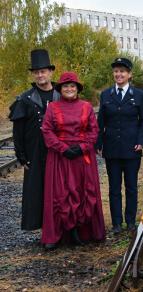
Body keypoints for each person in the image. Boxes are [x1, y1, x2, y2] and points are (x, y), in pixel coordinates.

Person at [41, 72, 105, 249]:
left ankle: (81, 230)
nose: (69, 89)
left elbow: (94, 130)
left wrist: (82, 147)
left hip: (82, 157)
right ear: (60, 89)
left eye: (72, 86)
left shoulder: (86, 106)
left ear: (77, 89)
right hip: (60, 157)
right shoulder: (52, 107)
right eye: (65, 86)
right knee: (60, 194)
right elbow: (46, 130)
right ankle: (58, 234)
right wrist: (63, 148)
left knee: (84, 192)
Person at [96, 57, 143, 234]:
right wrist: (99, 143)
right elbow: (100, 122)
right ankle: (117, 223)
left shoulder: (138, 95)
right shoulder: (106, 95)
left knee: (131, 187)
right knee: (114, 188)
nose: (119, 74)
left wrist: (141, 142)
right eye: (116, 71)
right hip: (112, 148)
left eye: (122, 71)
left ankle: (131, 221)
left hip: (132, 148)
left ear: (129, 74)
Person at [8, 49, 60, 231]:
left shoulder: (61, 95)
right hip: (35, 153)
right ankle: (46, 232)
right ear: (33, 74)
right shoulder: (25, 99)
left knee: (59, 190)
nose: (40, 75)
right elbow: (18, 131)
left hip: (58, 152)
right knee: (37, 192)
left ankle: (61, 228)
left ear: (50, 72)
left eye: (43, 71)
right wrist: (21, 157)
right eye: (36, 72)